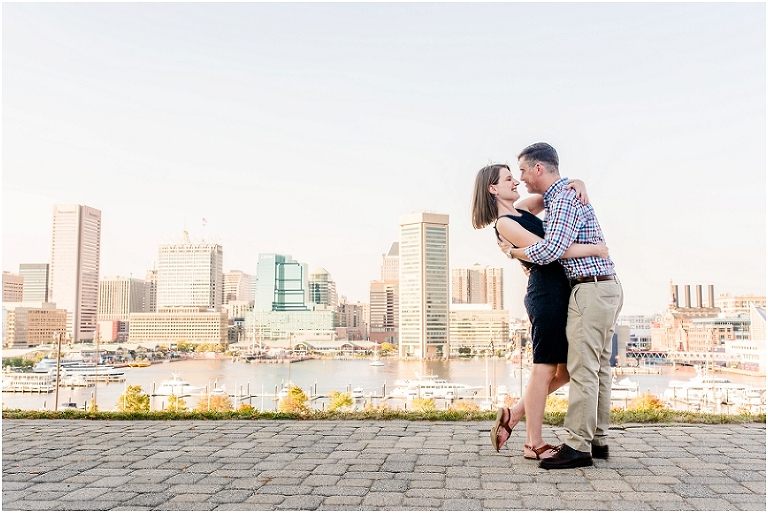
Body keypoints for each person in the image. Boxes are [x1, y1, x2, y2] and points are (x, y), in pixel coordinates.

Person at [471, 163, 608, 461]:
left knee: (567, 370)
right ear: (493, 189)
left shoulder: (521, 209)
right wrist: (594, 249)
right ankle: (533, 443)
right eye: (509, 179)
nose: (516, 182)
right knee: (544, 369)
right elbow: (549, 251)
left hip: (562, 293)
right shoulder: (504, 224)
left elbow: (553, 192)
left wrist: (579, 182)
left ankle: (513, 413)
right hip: (546, 296)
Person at [502, 142, 623, 470]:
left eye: (523, 171)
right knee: (597, 368)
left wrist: (514, 253)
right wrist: (576, 182)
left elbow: (551, 250)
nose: (520, 178)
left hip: (591, 289)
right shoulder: (559, 197)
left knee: (583, 370)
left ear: (538, 169)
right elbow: (552, 242)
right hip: (598, 286)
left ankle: (578, 447)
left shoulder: (563, 198)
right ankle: (596, 440)